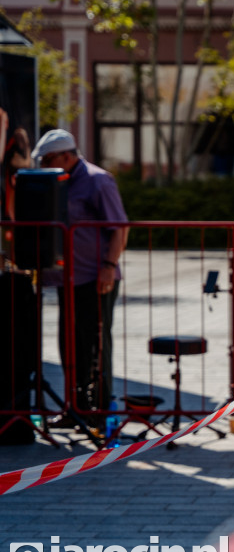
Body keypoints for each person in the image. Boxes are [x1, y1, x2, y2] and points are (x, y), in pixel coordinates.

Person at [31, 129, 128, 422]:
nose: (45, 165)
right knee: (69, 345)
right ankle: (75, 407)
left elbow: (120, 228)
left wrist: (108, 267)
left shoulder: (98, 181)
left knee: (96, 344)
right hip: (66, 279)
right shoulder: (56, 183)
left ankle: (99, 409)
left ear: (67, 155)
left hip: (95, 278)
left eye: (48, 159)